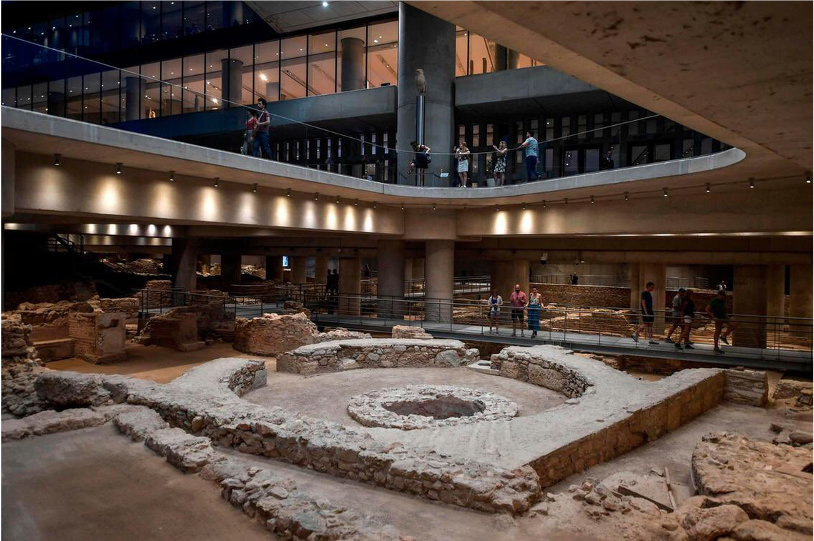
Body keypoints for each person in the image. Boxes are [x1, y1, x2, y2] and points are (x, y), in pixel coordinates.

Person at [707, 290, 737, 354]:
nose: (722, 298)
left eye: (723, 297)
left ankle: (724, 336)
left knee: (734, 325)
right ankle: (716, 347)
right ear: (718, 295)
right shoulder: (714, 301)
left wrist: (728, 318)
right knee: (717, 331)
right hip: (718, 318)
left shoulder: (723, 301)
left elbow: (723, 311)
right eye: (722, 297)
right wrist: (713, 317)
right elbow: (707, 309)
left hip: (724, 317)